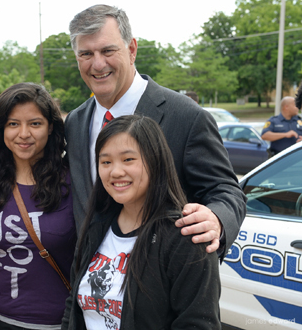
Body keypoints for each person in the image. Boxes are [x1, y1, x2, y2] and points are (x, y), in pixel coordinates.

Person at [65, 4, 246, 257]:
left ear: (131, 50)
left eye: (108, 50)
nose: (97, 64)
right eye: (86, 54)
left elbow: (225, 191)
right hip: (92, 286)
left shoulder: (187, 116)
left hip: (161, 284)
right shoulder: (75, 122)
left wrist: (216, 219)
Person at [62, 114, 221, 329]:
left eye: (128, 159)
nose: (116, 171)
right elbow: (73, 306)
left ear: (155, 160)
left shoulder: (185, 237)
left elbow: (197, 323)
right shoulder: (95, 227)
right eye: (106, 162)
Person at [0, 83, 76, 330]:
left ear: (50, 127)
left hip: (57, 322)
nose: (23, 134)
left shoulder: (74, 183)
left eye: (35, 123)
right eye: (13, 124)